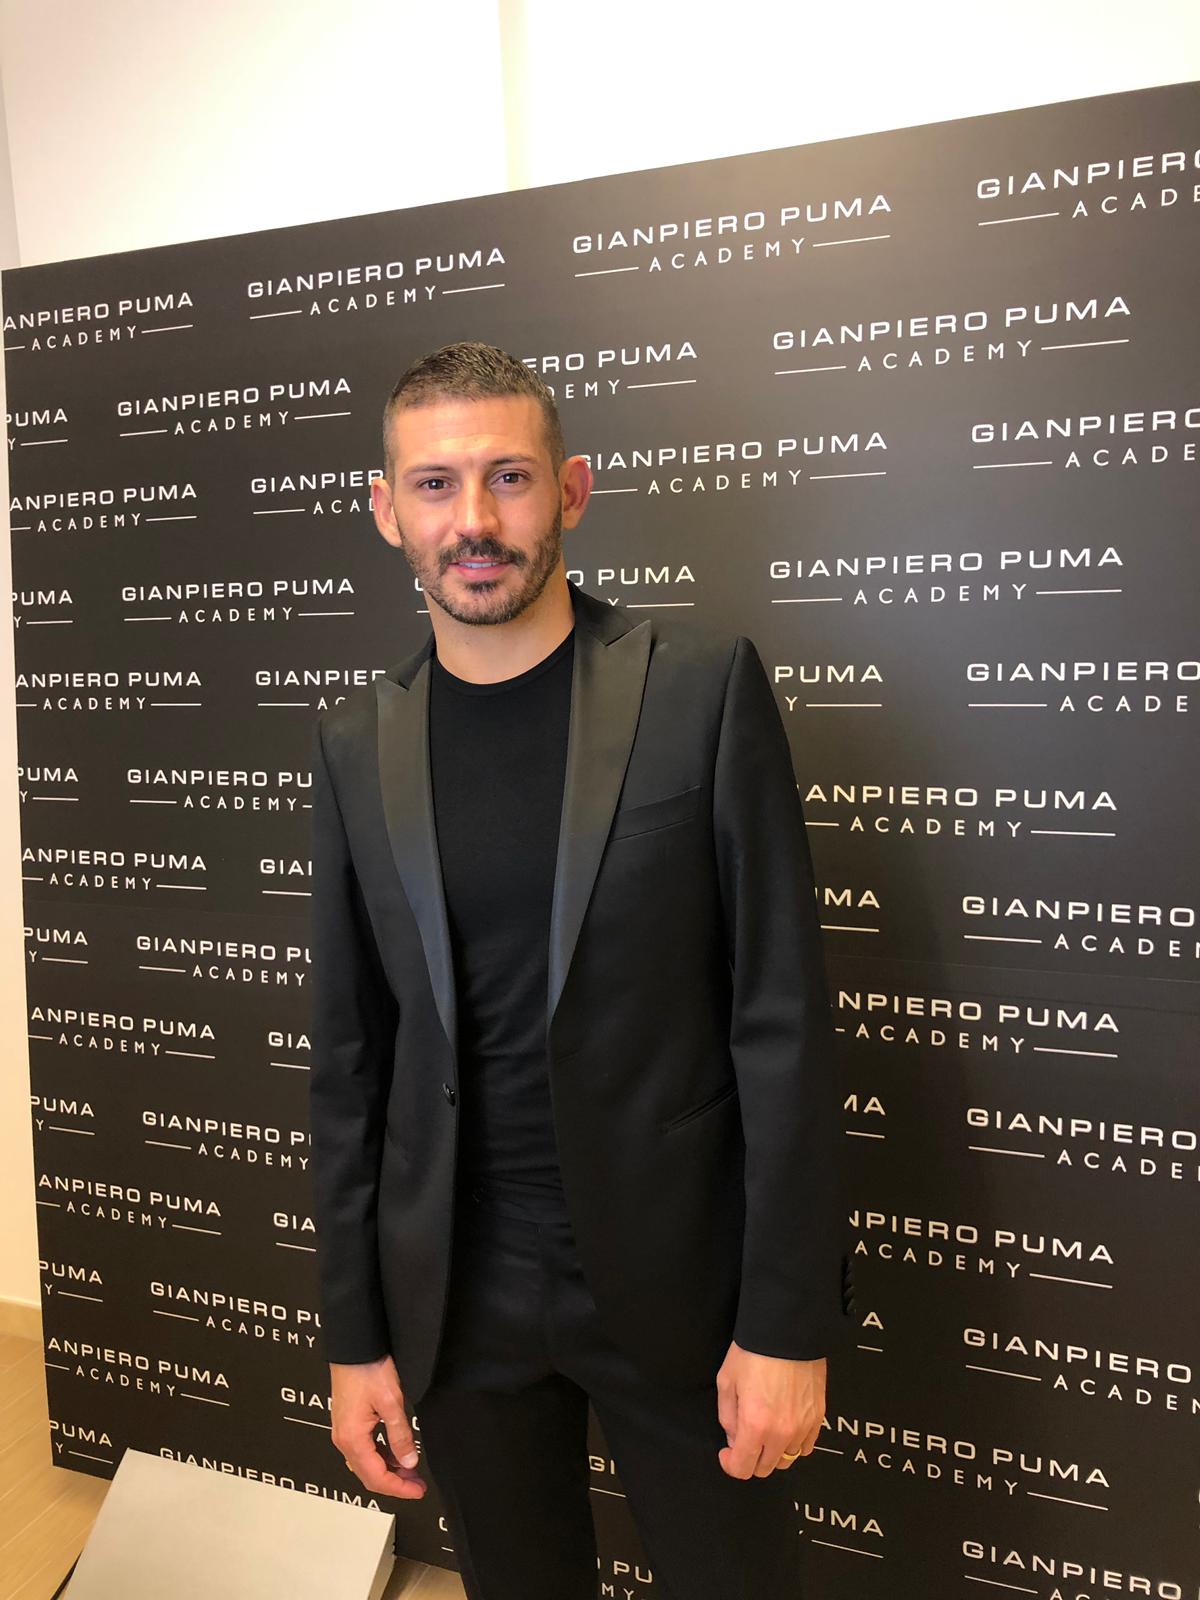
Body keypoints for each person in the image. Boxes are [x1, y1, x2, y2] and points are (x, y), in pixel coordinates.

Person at [307, 339, 856, 1599]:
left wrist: (785, 1324)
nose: (474, 519)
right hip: (459, 1298)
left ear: (571, 489)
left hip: (684, 1288)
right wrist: (357, 1335)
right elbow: (350, 1067)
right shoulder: (352, 743)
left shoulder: (700, 692)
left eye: (508, 476)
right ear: (388, 511)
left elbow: (781, 1023)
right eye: (435, 485)